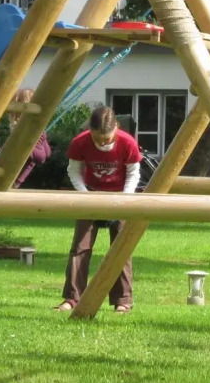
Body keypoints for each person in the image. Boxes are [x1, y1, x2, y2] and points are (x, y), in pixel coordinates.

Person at [56, 106, 141, 313]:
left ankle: (123, 300)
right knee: (80, 248)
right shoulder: (80, 142)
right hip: (90, 194)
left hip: (120, 196)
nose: (102, 143)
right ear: (90, 130)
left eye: (106, 139)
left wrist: (125, 199)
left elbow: (133, 173)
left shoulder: (128, 142)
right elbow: (73, 170)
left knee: (121, 248)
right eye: (97, 138)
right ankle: (72, 298)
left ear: (116, 128)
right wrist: (85, 195)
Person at [8, 88, 52, 188]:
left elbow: (41, 157)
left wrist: (27, 147)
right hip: (16, 175)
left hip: (14, 175)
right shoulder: (35, 126)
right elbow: (47, 153)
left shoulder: (26, 128)